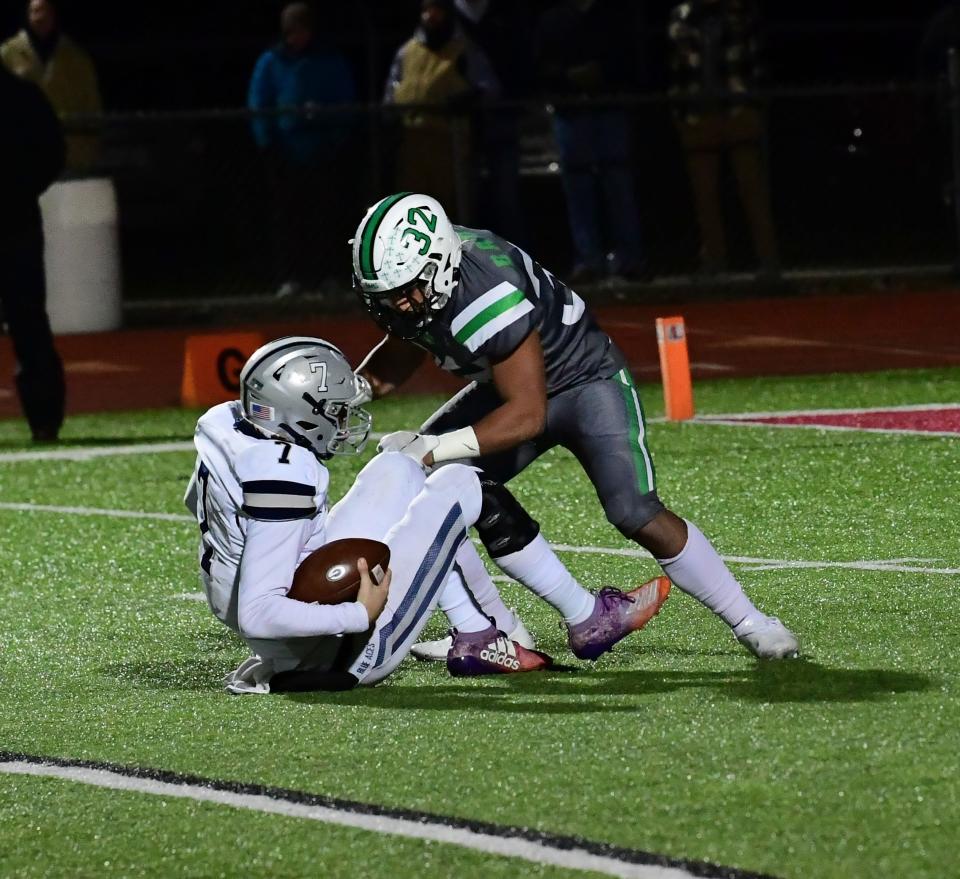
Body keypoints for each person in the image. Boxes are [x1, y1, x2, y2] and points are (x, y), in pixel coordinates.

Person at [351, 192, 799, 661]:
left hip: (584, 381)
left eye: (403, 292)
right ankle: (490, 631)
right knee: (426, 493)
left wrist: (432, 447)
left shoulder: (487, 289)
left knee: (635, 511)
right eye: (384, 295)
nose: (395, 305)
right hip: (514, 383)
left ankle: (750, 620)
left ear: (440, 265)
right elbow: (405, 346)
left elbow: (527, 416)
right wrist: (352, 390)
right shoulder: (433, 280)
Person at [185, 336, 574, 695]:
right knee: (458, 481)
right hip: (333, 653)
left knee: (399, 467)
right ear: (300, 411)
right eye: (335, 411)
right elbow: (259, 613)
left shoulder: (225, 423)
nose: (342, 422)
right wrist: (357, 614)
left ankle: (484, 632)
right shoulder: (283, 471)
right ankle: (577, 614)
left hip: (291, 622)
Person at [248, 2, 358, 298]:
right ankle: (291, 278)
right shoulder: (271, 61)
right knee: (287, 219)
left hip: (323, 152)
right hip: (285, 154)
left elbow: (345, 101)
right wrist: (267, 144)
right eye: (290, 31)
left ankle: (327, 277)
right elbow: (259, 104)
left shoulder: (329, 59)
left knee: (325, 217)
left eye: (300, 29)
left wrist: (335, 138)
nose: (295, 36)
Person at [533, 0, 647, 284]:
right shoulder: (552, 19)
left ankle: (629, 259)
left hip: (609, 108)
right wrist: (567, 76)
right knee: (578, 188)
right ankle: (589, 260)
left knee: (617, 184)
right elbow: (538, 66)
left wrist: (603, 74)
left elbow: (631, 60)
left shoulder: (614, 14)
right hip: (570, 113)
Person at [667, 0, 779, 277]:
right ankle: (714, 262)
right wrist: (679, 111)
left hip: (737, 111)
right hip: (698, 115)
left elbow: (757, 61)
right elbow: (675, 67)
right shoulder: (681, 17)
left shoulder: (741, 12)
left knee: (752, 191)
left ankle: (768, 261)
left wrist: (754, 106)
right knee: (704, 196)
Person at [384, 0, 499, 220]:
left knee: (452, 209)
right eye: (426, 10)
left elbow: (490, 87)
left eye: (436, 10)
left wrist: (471, 96)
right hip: (412, 143)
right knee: (413, 210)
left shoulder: (463, 50)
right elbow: (391, 91)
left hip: (450, 143)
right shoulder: (407, 52)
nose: (430, 16)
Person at [0, 64, 66, 442]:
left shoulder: (24, 96)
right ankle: (45, 419)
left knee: (29, 322)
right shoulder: (25, 96)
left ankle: (45, 417)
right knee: (29, 322)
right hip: (18, 221)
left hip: (16, 220)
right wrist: (23, 190)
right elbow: (54, 152)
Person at [1, 0, 102, 175]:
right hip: (23, 151)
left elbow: (92, 104)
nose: (40, 17)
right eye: (35, 11)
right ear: (27, 15)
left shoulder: (76, 57)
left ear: (54, 15)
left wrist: (91, 148)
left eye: (44, 11)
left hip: (70, 154)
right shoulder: (8, 53)